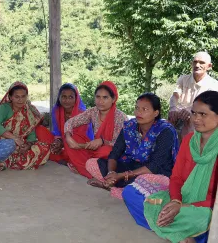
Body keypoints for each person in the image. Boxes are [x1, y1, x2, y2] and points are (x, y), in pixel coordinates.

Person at [123, 91, 218, 243]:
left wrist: (183, 207)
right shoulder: (189, 140)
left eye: (203, 114)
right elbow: (176, 178)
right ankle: (182, 235)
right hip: (177, 198)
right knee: (131, 193)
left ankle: (175, 229)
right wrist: (175, 202)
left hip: (204, 208)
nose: (196, 119)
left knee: (207, 219)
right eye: (193, 113)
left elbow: (215, 199)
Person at [85, 93, 179, 199]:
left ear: (156, 113)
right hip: (131, 166)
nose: (139, 112)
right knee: (91, 163)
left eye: (144, 109)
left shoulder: (165, 131)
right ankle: (120, 188)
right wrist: (111, 172)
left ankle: (115, 188)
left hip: (154, 172)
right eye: (137, 108)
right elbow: (115, 153)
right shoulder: (129, 126)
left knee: (155, 182)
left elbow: (154, 166)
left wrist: (120, 176)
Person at [63, 81, 128, 178]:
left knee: (105, 151)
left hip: (111, 153)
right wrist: (68, 136)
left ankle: (89, 169)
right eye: (98, 97)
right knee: (71, 139)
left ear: (113, 99)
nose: (100, 101)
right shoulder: (93, 112)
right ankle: (90, 168)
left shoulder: (120, 117)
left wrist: (102, 141)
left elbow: (122, 144)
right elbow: (71, 122)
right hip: (94, 148)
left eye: (105, 97)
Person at [0, 81, 51, 170]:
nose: (20, 100)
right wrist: (14, 138)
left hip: (20, 145)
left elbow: (31, 133)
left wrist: (28, 145)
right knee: (10, 144)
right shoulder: (4, 108)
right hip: (3, 142)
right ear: (10, 97)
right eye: (17, 97)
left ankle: (5, 162)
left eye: (23, 96)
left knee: (44, 147)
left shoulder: (30, 110)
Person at [169, 51, 218, 140]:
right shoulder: (183, 79)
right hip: (180, 120)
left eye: (202, 62)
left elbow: (207, 108)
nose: (197, 65)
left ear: (209, 66)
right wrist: (173, 108)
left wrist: (191, 110)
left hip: (199, 126)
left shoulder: (214, 85)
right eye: (195, 62)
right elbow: (175, 96)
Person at [49, 83, 94, 164]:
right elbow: (57, 132)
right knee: (42, 133)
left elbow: (80, 137)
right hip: (63, 141)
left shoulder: (82, 113)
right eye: (64, 97)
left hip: (78, 143)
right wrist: (58, 141)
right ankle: (66, 157)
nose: (67, 100)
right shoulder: (56, 111)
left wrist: (63, 142)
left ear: (76, 98)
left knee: (71, 143)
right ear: (59, 97)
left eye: (71, 97)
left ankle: (67, 158)